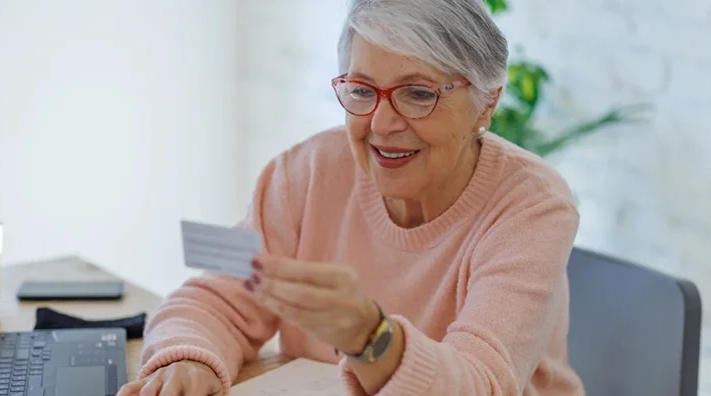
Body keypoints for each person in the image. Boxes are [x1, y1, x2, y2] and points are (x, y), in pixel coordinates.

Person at [117, 0, 585, 394]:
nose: (381, 125)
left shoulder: (532, 207)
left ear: (487, 101)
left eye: (418, 94)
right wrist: (188, 361)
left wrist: (371, 337)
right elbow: (215, 298)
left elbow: (482, 383)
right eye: (362, 90)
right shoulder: (308, 172)